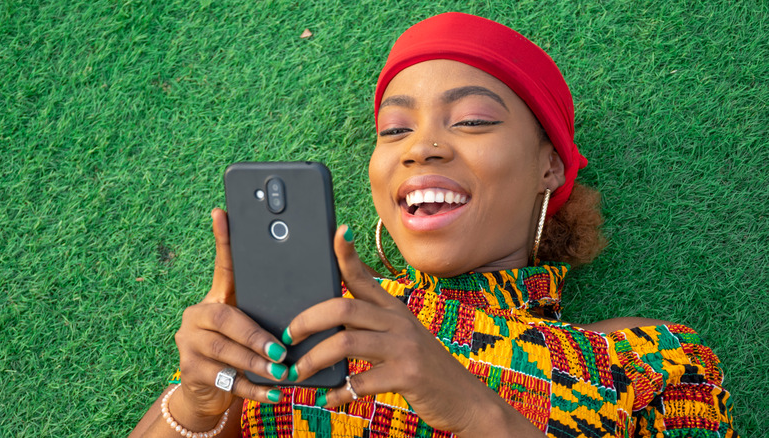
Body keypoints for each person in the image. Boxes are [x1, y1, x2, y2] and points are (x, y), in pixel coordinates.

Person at [132, 12, 738, 438]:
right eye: (395, 130)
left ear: (548, 164)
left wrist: (477, 411)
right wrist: (199, 402)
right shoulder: (309, 330)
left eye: (472, 120)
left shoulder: (654, 363)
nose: (419, 148)